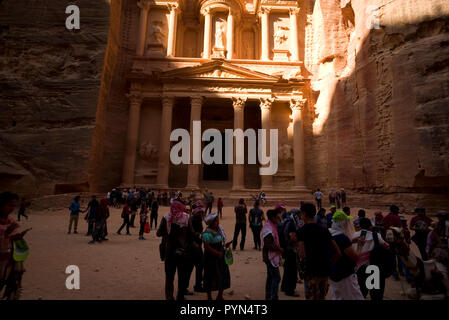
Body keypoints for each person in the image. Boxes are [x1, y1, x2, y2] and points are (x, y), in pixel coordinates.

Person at [297, 203, 341, 300]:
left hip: (311, 271)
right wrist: (329, 265)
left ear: (304, 213)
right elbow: (337, 252)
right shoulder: (324, 230)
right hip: (324, 271)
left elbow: (302, 254)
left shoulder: (302, 231)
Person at [156, 200, 195, 300]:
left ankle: (169, 297)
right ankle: (180, 296)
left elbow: (159, 233)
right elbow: (192, 234)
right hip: (183, 252)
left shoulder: (166, 217)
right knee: (182, 275)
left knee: (169, 276)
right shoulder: (186, 218)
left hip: (169, 251)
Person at [0, 192, 32, 300]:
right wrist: (5, 233)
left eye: (14, 206)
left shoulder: (10, 221)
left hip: (7, 262)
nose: (12, 208)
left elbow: (15, 239)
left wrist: (18, 237)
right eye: (10, 205)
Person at [328, 211, 365, 300]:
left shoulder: (329, 233)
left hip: (333, 273)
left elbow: (337, 245)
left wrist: (351, 241)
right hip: (345, 274)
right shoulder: (342, 238)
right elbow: (355, 257)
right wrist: (360, 246)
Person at [353, 218, 389, 300]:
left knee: (361, 293)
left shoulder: (354, 235)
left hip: (359, 270)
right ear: (370, 226)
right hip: (373, 269)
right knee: (376, 294)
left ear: (360, 226)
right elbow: (386, 247)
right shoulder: (376, 236)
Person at [202, 213, 231, 300]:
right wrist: (217, 253)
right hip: (211, 259)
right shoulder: (207, 233)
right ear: (211, 222)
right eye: (216, 220)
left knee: (222, 275)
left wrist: (225, 246)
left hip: (220, 257)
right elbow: (206, 247)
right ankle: (209, 297)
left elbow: (220, 242)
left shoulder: (218, 230)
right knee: (210, 277)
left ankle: (220, 296)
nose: (218, 222)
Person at [261, 209, 284, 300]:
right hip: (270, 256)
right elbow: (268, 244)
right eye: (277, 217)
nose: (278, 219)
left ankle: (268, 295)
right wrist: (279, 249)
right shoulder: (268, 229)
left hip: (269, 256)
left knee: (270, 277)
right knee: (276, 278)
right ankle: (274, 297)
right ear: (273, 218)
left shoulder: (270, 226)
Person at [189, 202, 205, 292]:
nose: (201, 214)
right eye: (199, 212)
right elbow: (191, 233)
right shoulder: (193, 220)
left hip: (197, 245)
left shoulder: (197, 219)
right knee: (197, 266)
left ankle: (198, 285)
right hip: (194, 246)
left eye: (201, 212)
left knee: (199, 266)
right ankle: (197, 286)